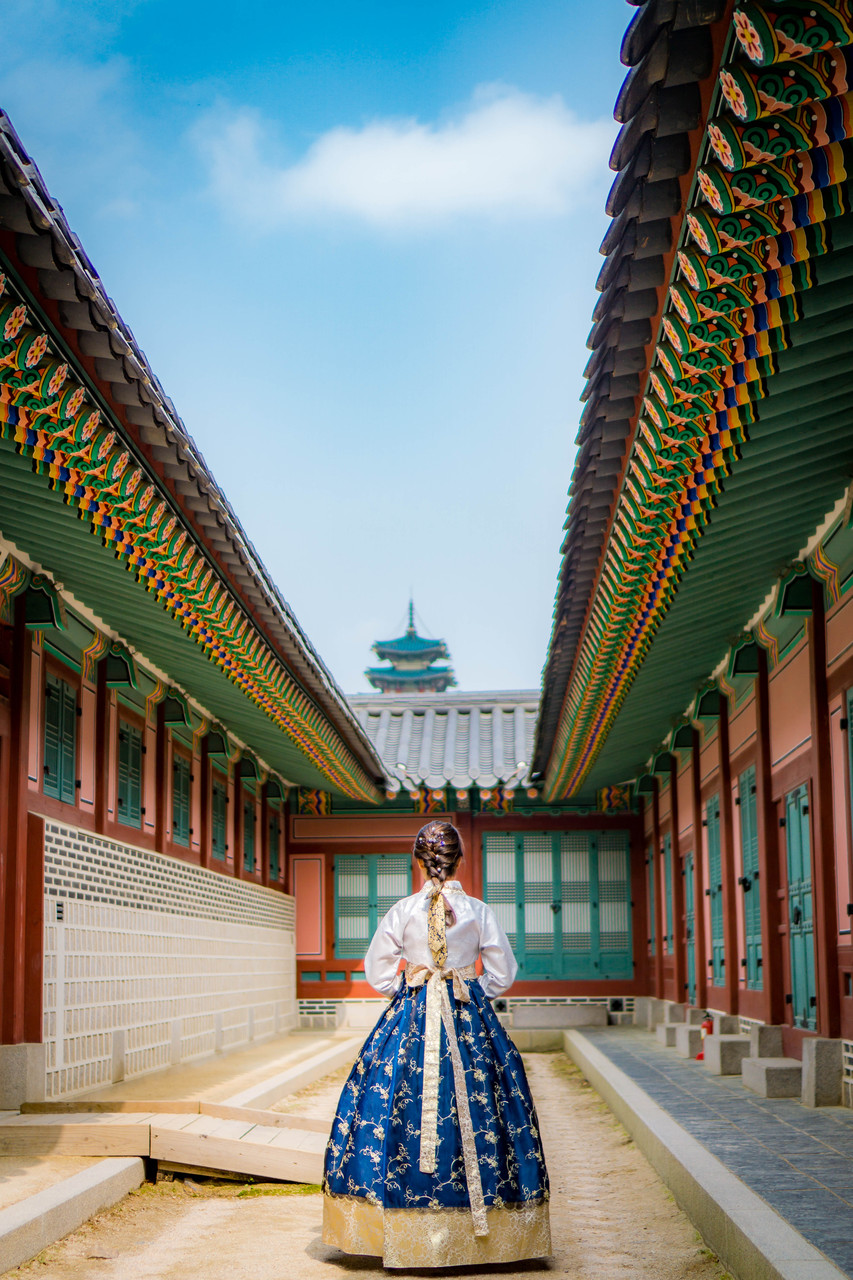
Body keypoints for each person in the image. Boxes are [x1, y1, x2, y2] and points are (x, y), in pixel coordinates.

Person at [322, 820, 551, 1269]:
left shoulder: (402, 910)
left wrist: (409, 985)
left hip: (412, 1015)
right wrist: (470, 983)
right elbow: (503, 972)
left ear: (418, 861)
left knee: (393, 1108)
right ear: (460, 859)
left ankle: (400, 1229)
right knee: (491, 1108)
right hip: (469, 1016)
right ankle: (488, 1236)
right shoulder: (479, 911)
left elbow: (377, 971)